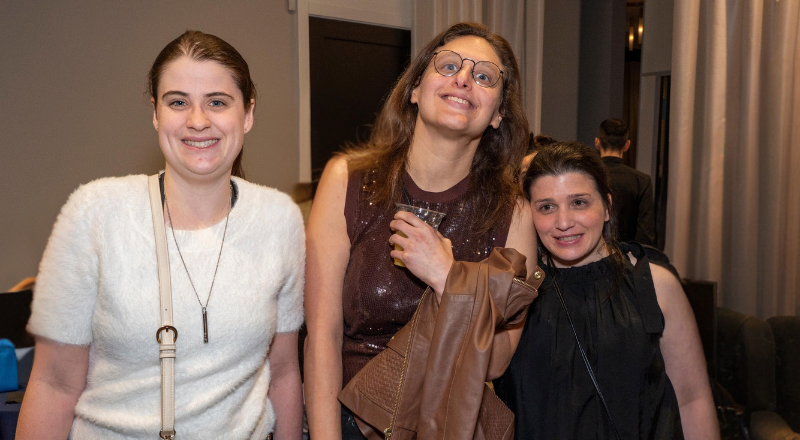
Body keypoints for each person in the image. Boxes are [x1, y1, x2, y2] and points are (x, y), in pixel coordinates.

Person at [16, 31, 304, 439]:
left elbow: (284, 372)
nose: (198, 120)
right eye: (178, 102)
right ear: (155, 112)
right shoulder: (95, 212)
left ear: (248, 113)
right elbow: (53, 384)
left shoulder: (280, 220)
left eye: (217, 102)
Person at [303, 22, 537, 439]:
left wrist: (450, 279)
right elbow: (322, 335)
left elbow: (498, 360)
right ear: (414, 89)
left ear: (499, 113)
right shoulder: (348, 180)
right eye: (448, 66)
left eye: (484, 76)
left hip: (450, 426)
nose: (463, 79)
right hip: (352, 421)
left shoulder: (514, 213)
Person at [494, 141, 719, 439]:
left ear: (607, 208)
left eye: (579, 202)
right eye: (547, 207)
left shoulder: (656, 285)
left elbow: (693, 399)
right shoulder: (518, 288)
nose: (564, 222)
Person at [595, 118, 656, 245]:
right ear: (627, 145)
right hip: (628, 258)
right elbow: (645, 234)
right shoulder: (641, 181)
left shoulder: (587, 177)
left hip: (590, 256)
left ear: (597, 142)